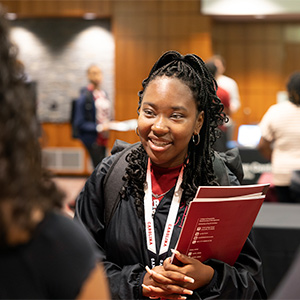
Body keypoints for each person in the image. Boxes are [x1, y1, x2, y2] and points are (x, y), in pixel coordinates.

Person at [74, 50, 267, 299]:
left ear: (198, 122)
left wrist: (210, 278)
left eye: (176, 116)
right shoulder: (109, 176)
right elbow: (76, 268)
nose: (159, 127)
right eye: (149, 112)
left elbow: (252, 287)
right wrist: (137, 283)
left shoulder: (219, 183)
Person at [0, 6, 110, 299]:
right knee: (97, 168)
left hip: (103, 134)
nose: (98, 75)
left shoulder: (59, 247)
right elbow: (80, 119)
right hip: (91, 135)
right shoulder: (86, 94)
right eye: (96, 71)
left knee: (98, 167)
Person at [258, 71, 300, 203]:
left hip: (282, 172)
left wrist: (274, 157)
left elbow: (262, 145)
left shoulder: (275, 111)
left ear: (289, 90)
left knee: (286, 217)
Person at [74, 64, 112, 168]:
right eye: (94, 73)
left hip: (105, 137)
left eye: (99, 73)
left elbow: (106, 114)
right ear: (88, 76)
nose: (97, 76)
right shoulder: (85, 96)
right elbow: (79, 123)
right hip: (92, 138)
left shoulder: (104, 94)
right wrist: (99, 127)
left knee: (103, 166)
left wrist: (110, 123)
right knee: (99, 168)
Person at [205, 60, 230, 152]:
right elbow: (227, 112)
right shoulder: (223, 92)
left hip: (202, 131)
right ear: (216, 73)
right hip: (219, 131)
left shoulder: (197, 91)